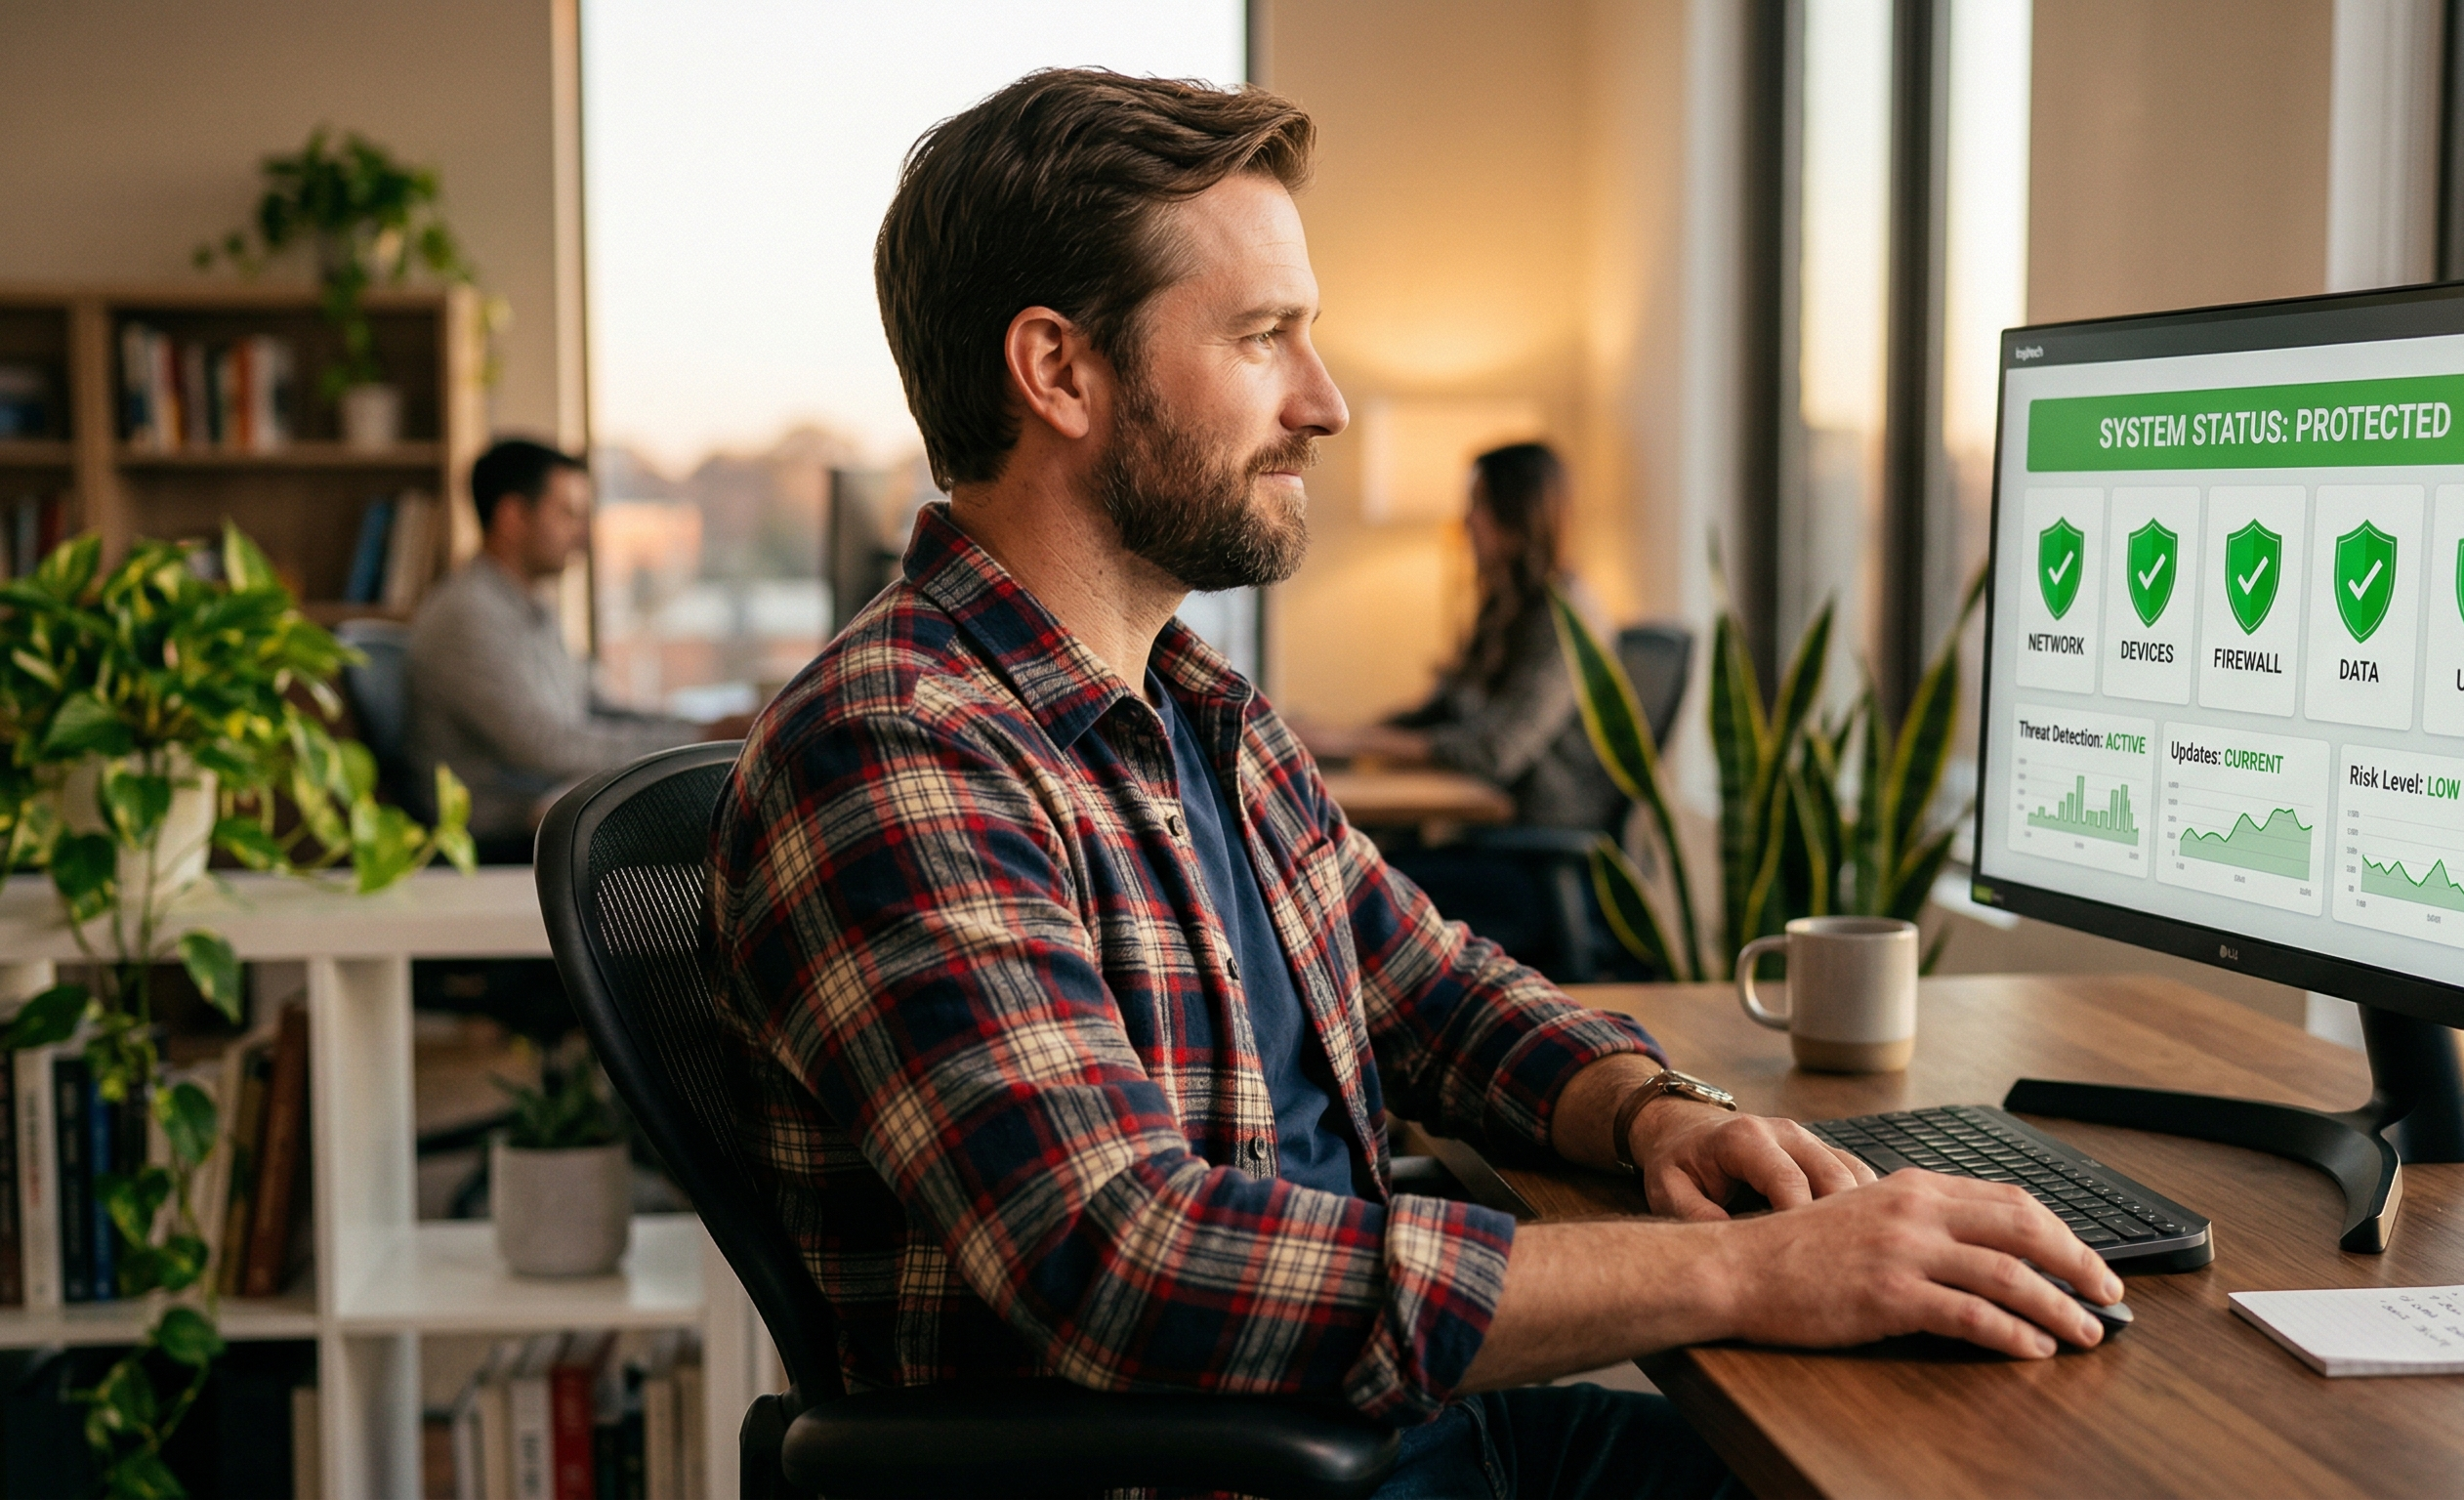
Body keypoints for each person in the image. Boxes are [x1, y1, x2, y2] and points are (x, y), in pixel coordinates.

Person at [706, 68, 2117, 1499]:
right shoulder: (898, 749)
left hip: (1395, 1438)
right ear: (1059, 370)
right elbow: (1131, 1264)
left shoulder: (1197, 711)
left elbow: (1427, 985)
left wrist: (1656, 1114)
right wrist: (1743, 1271)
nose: (1323, 404)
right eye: (1264, 337)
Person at [406, 439, 742, 862]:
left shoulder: (530, 608)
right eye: (568, 514)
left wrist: (705, 732)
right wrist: (702, 739)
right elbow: (546, 747)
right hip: (505, 838)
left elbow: (596, 707)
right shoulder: (467, 614)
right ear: (512, 517)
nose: (583, 535)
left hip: (548, 814)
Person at [1299, 440, 1618, 832]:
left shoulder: (1568, 619)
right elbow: (1438, 713)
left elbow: (1497, 750)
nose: (1466, 521)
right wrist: (1336, 736)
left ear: (1521, 514)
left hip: (1531, 839)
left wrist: (1353, 743)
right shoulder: (1503, 605)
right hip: (1485, 825)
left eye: (1479, 504)